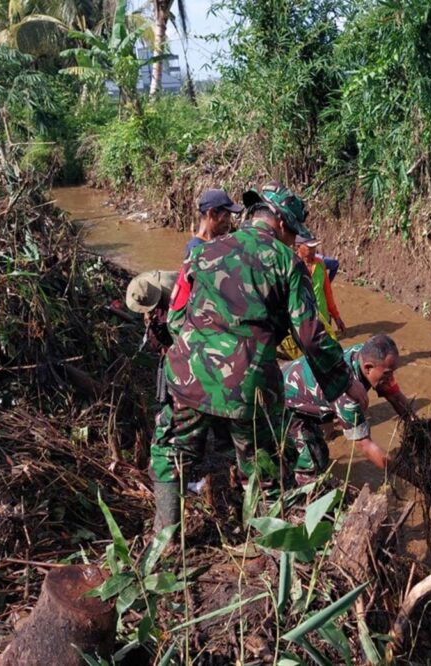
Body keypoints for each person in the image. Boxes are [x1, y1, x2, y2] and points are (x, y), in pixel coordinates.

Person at [150, 180, 367, 531]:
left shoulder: (201, 252)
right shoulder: (287, 263)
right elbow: (310, 336)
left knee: (169, 452)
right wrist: (345, 382)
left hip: (188, 376)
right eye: (293, 233)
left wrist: (200, 355)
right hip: (250, 386)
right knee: (264, 465)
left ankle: (167, 538)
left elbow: (175, 318)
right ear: (282, 224)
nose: (293, 241)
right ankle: (268, 545)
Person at [283, 334, 412, 480]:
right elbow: (365, 446)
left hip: (303, 388)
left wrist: (418, 428)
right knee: (314, 463)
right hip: (283, 402)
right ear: (368, 368)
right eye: (388, 374)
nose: (391, 378)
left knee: (319, 446)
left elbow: (395, 397)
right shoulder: (346, 395)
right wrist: (410, 476)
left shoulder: (362, 354)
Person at [125, 270, 179, 402]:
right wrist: (147, 314)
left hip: (179, 303)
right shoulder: (143, 283)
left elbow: (178, 329)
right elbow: (146, 300)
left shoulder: (170, 297)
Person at [296, 235, 346, 336]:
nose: (313, 251)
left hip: (323, 317)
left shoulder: (320, 264)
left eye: (314, 247)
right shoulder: (292, 266)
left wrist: (336, 316)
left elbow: (327, 293)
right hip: (303, 322)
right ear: (298, 247)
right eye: (309, 248)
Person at [185, 189, 243, 257]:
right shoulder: (197, 249)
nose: (228, 222)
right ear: (212, 213)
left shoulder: (217, 243)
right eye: (226, 216)